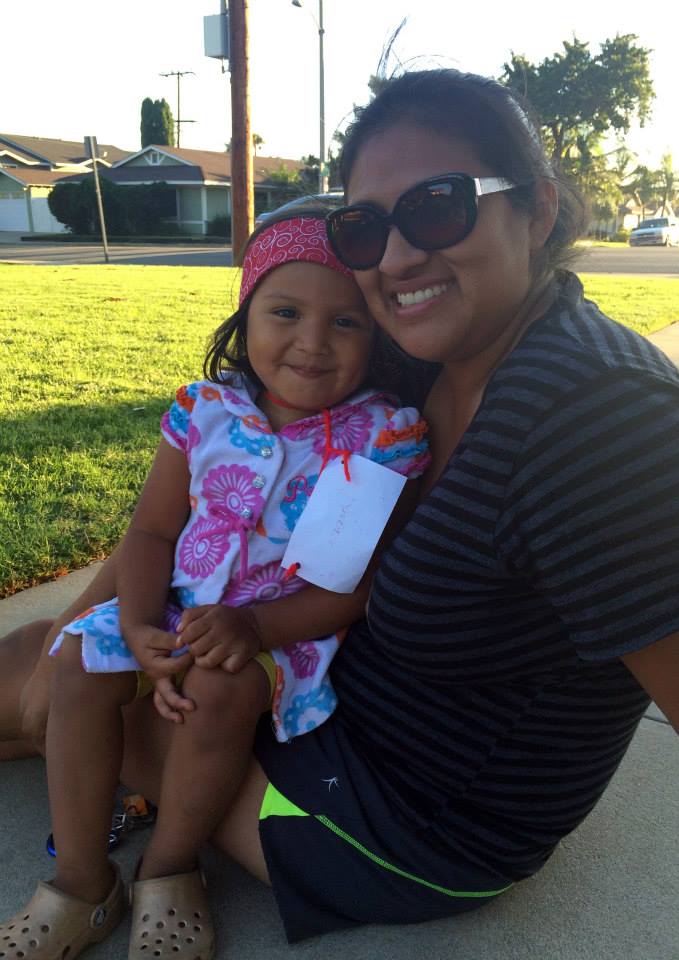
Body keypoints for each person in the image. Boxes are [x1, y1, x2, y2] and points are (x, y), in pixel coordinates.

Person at [2, 67, 679, 948]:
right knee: (51, 662)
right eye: (365, 227)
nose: (398, 256)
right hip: (324, 702)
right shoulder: (422, 358)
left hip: (393, 821)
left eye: (439, 206)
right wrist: (91, 625)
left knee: (50, 691)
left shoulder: (600, 426)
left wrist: (62, 674)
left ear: (536, 209)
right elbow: (170, 515)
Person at [0, 210, 429, 960]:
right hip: (166, 610)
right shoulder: (204, 413)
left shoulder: (378, 438)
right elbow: (151, 534)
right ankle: (81, 883)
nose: (310, 342)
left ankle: (169, 867)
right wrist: (136, 627)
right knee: (74, 663)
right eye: (285, 312)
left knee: (222, 688)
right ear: (245, 313)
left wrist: (255, 630)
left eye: (346, 323)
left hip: (277, 632)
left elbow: (349, 588)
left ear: (377, 338)